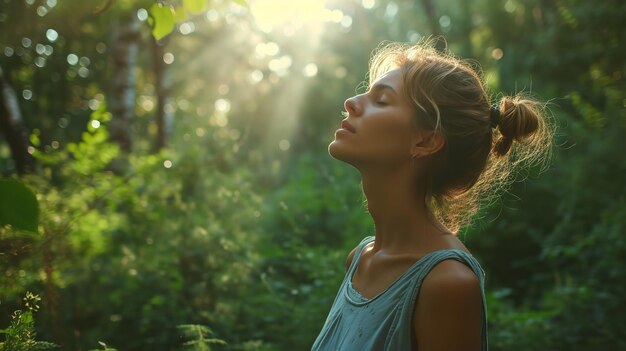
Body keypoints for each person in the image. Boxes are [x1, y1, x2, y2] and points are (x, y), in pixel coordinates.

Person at [311, 39, 553, 351]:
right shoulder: (359, 261)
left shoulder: (447, 283)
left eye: (381, 100)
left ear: (425, 142)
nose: (351, 103)